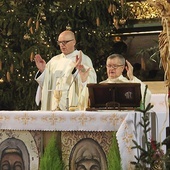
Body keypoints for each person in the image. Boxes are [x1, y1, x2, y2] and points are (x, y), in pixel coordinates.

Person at [34, 30, 97, 111]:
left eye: (65, 42)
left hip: (72, 107)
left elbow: (89, 83)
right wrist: (43, 71)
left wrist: (77, 72)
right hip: (53, 107)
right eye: (60, 42)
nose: (62, 45)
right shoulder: (54, 61)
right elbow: (46, 85)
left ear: (74, 42)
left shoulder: (83, 59)